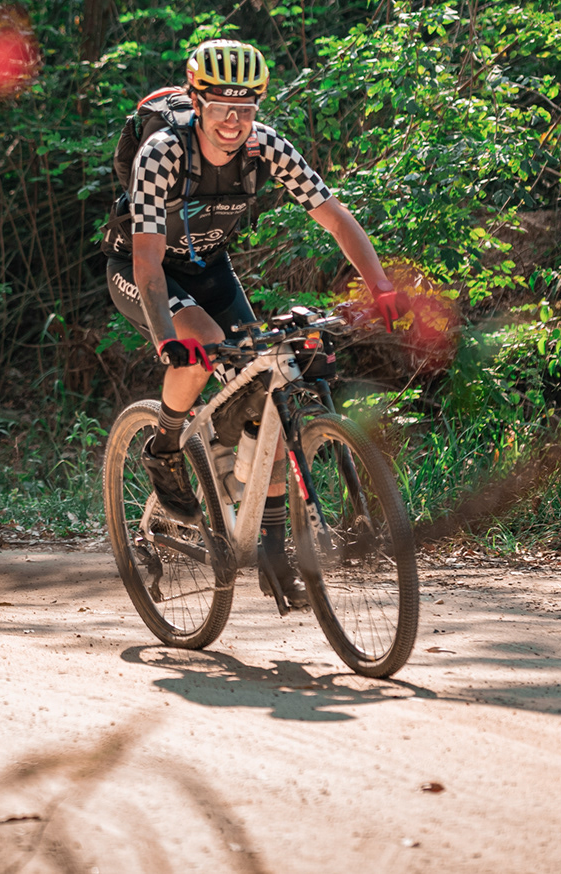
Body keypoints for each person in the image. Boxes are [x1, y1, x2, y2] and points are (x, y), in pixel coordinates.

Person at [100, 38, 405, 611]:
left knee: (268, 387)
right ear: (196, 102)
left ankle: (270, 547)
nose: (233, 121)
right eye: (220, 107)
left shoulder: (266, 146)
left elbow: (335, 218)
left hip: (210, 269)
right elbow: (147, 261)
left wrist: (380, 285)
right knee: (203, 343)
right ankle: (164, 447)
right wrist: (167, 338)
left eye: (245, 108)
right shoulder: (163, 152)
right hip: (142, 270)